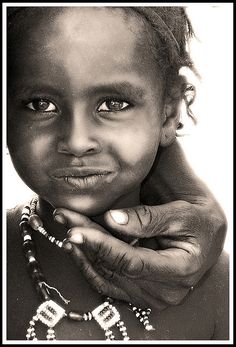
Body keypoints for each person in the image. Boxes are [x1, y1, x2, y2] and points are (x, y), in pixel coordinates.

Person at [6, 6, 228, 341]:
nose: (77, 142)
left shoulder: (219, 286)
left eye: (113, 104)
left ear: (169, 111)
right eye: (41, 104)